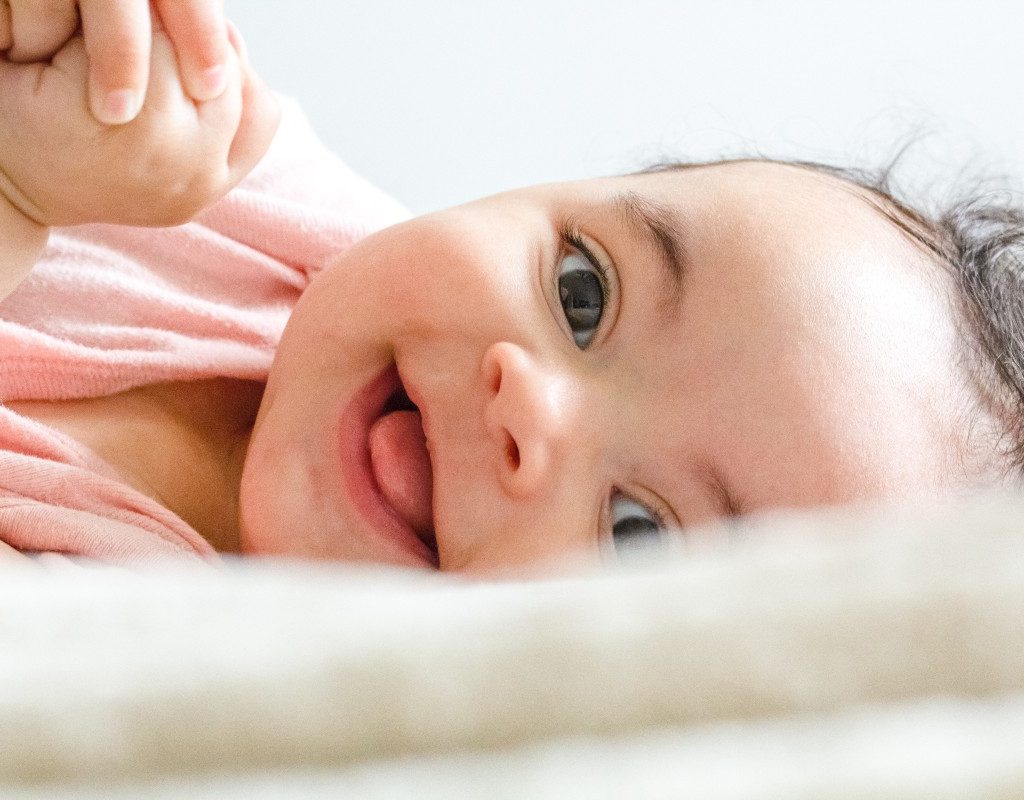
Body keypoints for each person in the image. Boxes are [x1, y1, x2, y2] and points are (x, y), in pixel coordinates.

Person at [0, 4, 1018, 574]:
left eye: (636, 530)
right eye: (583, 292)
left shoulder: (144, 643)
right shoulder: (233, 177)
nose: (530, 403)